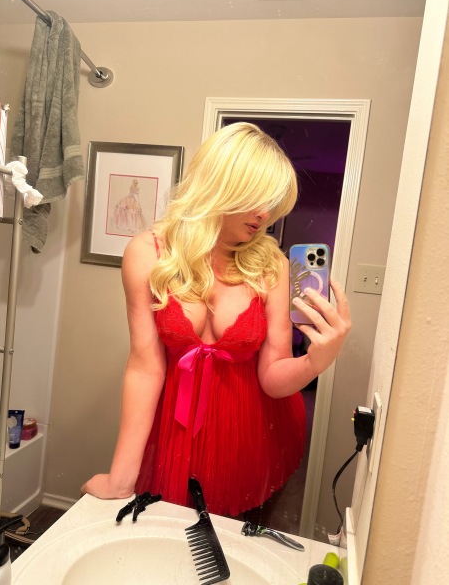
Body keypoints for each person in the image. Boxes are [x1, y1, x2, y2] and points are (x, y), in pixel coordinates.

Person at [81, 122, 351, 517]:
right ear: (220, 184)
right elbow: (144, 366)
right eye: (256, 198)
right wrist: (120, 478)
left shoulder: (272, 265)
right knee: (163, 534)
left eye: (273, 202)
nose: (266, 214)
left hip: (249, 429)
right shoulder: (147, 253)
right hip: (173, 428)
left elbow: (272, 376)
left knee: (232, 543)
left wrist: (316, 360)